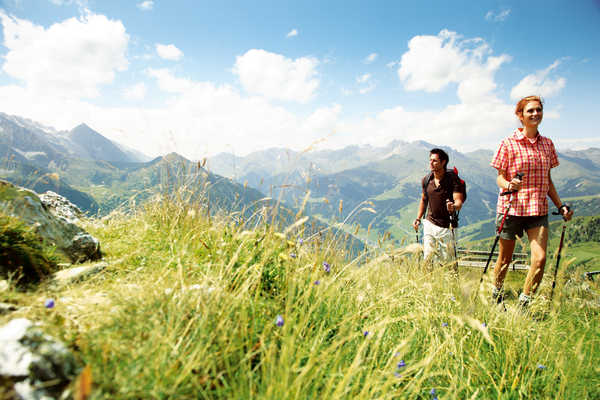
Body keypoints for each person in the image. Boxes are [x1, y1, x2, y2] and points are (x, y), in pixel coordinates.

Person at [490, 95, 573, 307]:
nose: (535, 114)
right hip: (512, 209)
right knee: (505, 259)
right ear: (520, 116)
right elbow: (499, 177)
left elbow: (548, 180)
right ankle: (495, 293)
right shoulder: (508, 143)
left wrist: (560, 205)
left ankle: (524, 304)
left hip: (538, 209)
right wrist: (508, 185)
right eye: (530, 111)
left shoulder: (547, 144)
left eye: (538, 110)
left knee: (540, 258)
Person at [413, 148, 464, 266]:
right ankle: (427, 283)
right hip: (429, 224)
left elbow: (459, 201)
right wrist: (418, 218)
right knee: (427, 259)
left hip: (447, 227)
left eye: (435, 161)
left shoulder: (452, 180)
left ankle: (452, 283)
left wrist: (453, 206)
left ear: (443, 162)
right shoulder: (426, 180)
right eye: (430, 160)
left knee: (448, 263)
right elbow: (424, 200)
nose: (431, 163)